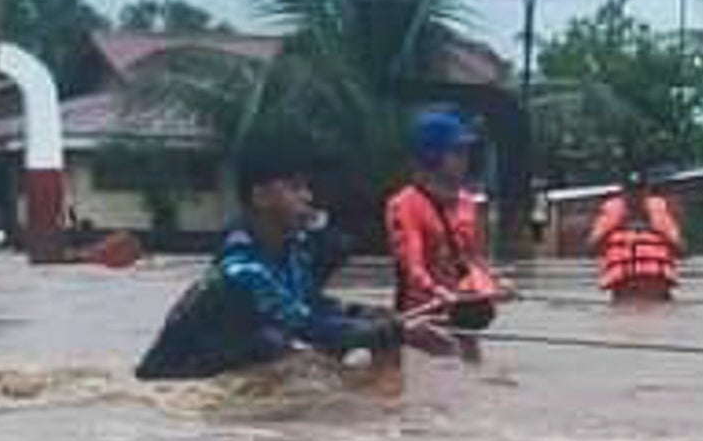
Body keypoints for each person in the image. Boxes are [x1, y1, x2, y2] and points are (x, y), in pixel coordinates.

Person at [134, 147, 449, 381]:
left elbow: (318, 306)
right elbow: (311, 327)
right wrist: (398, 331)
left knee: (364, 336)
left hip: (238, 363)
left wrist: (379, 316)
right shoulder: (243, 271)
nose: (308, 197)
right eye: (295, 187)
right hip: (176, 382)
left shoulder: (291, 252)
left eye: (306, 187)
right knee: (305, 357)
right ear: (261, 197)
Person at [385, 107, 508, 332]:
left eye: (466, 151)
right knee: (444, 360)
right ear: (432, 156)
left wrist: (493, 283)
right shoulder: (405, 205)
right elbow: (413, 267)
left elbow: (474, 260)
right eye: (457, 151)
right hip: (421, 317)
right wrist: (438, 291)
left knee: (473, 365)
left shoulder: (468, 204)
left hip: (461, 313)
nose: (466, 159)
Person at [591, 169, 684, 302]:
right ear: (623, 191)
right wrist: (615, 226)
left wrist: (658, 230)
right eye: (631, 191)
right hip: (624, 296)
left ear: (647, 191)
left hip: (657, 296)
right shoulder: (610, 216)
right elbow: (591, 249)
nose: (635, 195)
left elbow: (682, 251)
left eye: (639, 190)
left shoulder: (661, 215)